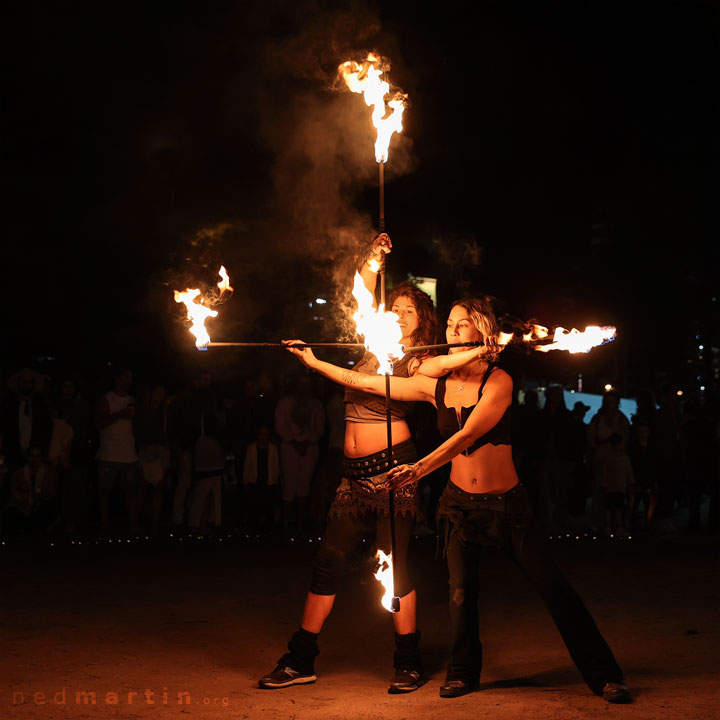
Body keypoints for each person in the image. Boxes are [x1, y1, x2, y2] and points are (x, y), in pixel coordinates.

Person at [283, 297, 631, 704]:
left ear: (482, 333)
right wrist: (314, 362)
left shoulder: (499, 381)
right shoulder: (437, 385)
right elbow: (366, 382)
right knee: (461, 596)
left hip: (506, 507)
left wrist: (418, 468)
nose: (451, 332)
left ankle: (604, 674)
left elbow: (465, 436)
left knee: (553, 588)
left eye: (462, 325)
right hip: (458, 506)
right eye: (449, 325)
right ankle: (464, 673)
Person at [259, 233, 439, 694]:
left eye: (407, 311)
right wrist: (374, 258)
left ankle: (409, 661)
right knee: (327, 564)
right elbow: (363, 289)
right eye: (393, 308)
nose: (396, 314)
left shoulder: (421, 364)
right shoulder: (371, 347)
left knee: (395, 569)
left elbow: (370, 386)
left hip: (394, 471)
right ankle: (301, 659)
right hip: (352, 476)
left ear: (422, 325)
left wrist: (317, 365)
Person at [95, 366, 139, 536]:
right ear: (117, 379)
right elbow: (98, 423)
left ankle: (133, 526)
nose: (129, 381)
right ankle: (105, 526)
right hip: (109, 454)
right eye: (126, 377)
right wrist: (120, 414)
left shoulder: (132, 399)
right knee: (105, 492)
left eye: (130, 377)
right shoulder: (106, 399)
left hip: (128, 454)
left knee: (131, 491)